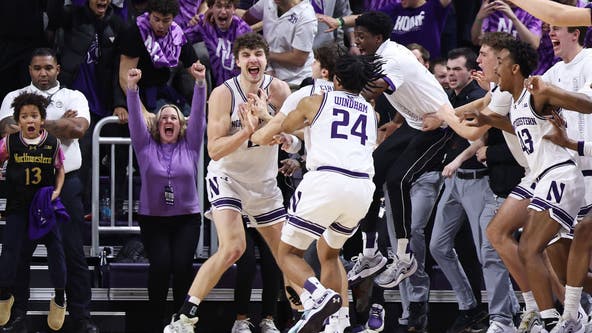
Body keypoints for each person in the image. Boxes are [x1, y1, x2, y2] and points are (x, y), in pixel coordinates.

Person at [163, 32, 291, 333]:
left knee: (287, 254)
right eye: (246, 55)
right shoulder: (223, 93)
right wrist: (246, 131)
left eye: (257, 54)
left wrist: (277, 127)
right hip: (228, 177)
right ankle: (184, 317)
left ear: (266, 58)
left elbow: (296, 136)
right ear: (237, 61)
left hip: (263, 182)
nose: (252, 60)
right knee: (234, 247)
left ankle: (313, 311)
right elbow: (214, 150)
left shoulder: (281, 90)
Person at [270, 53, 382, 333]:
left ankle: (318, 297)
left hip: (327, 180)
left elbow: (282, 127)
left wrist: (263, 112)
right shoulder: (371, 111)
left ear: (335, 78)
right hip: (361, 188)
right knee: (329, 253)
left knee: (287, 254)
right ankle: (338, 323)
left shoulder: (315, 100)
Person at [350, 11, 453, 289]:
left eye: (362, 37)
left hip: (438, 125)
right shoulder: (379, 51)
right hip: (414, 122)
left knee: (397, 180)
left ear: (378, 38)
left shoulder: (392, 59)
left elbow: (372, 90)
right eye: (355, 35)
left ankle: (405, 257)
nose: (357, 41)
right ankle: (370, 253)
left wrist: (343, 80)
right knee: (370, 175)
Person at [498, 39, 592, 332]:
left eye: (499, 61)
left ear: (514, 68)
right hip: (546, 180)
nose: (496, 67)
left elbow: (588, 105)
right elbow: (528, 131)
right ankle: (560, 317)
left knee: (528, 247)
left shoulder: (537, 92)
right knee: (563, 267)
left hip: (560, 175)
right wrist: (486, 117)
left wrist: (552, 91)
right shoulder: (515, 103)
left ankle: (552, 319)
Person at [0, 48, 95, 333]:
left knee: (72, 251)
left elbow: (77, 129)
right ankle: (18, 314)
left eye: (48, 68)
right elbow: (7, 129)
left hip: (64, 184)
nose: (43, 73)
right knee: (18, 254)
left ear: (58, 70)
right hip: (23, 187)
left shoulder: (74, 96)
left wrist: (32, 125)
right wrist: (58, 124)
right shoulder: (13, 97)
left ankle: (81, 316)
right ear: (30, 70)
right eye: (37, 68)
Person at [125, 60, 206, 331]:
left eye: (173, 117)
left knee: (182, 267)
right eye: (163, 117)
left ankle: (182, 322)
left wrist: (200, 84)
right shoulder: (144, 146)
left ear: (181, 124)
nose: (168, 120)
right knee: (160, 267)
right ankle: (156, 321)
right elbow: (136, 120)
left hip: (187, 218)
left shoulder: (191, 144)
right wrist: (132, 89)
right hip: (153, 219)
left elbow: (199, 115)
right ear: (157, 125)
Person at [0, 93, 67, 332]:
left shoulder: (52, 143)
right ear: (18, 120)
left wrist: (58, 191)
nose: (30, 120)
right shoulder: (9, 142)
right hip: (18, 205)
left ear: (41, 120)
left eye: (34, 116)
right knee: (10, 253)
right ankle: (5, 294)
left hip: (44, 206)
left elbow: (60, 169)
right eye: (25, 116)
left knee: (56, 251)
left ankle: (60, 297)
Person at [118, 0, 199, 116]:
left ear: (173, 19)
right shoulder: (134, 32)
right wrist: (142, 112)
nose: (160, 25)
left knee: (194, 121)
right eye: (156, 19)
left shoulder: (176, 33)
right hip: (140, 94)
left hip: (164, 91)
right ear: (149, 14)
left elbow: (197, 70)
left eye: (166, 21)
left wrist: (201, 107)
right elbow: (124, 78)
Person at [242, 0, 317, 87]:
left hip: (295, 82)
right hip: (269, 77)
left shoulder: (306, 15)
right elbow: (246, 19)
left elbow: (298, 59)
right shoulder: (268, 2)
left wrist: (263, 54)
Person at [184, 0, 252, 87]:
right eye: (219, 6)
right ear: (211, 7)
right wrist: (192, 24)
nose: (223, 12)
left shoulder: (243, 31)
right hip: (219, 89)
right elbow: (181, 41)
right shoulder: (205, 23)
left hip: (243, 88)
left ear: (234, 9)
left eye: (227, 7)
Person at [471, 0, 542, 49]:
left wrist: (514, 18)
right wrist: (479, 18)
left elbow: (533, 45)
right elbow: (477, 41)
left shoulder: (532, 10)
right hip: (493, 61)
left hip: (519, 62)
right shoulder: (492, 7)